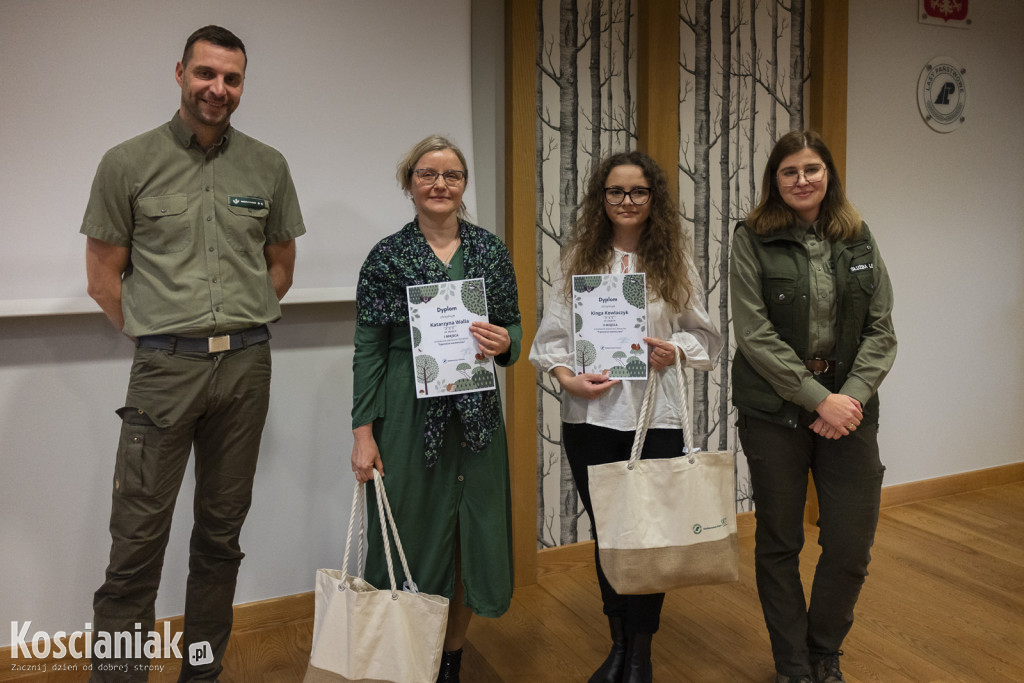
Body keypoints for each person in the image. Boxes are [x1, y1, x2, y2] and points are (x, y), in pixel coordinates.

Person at [80, 25, 305, 680]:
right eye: (206, 73)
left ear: (241, 85)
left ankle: (200, 671)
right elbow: (103, 278)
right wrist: (161, 333)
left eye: (231, 78)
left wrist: (235, 322)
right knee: (135, 549)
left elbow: (281, 265)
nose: (218, 88)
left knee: (219, 542)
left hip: (245, 368)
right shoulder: (128, 163)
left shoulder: (267, 165)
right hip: (164, 371)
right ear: (180, 72)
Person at [530, 151, 722, 683]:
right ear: (602, 199)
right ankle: (617, 645)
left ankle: (641, 653)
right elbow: (550, 341)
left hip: (655, 418)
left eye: (638, 192)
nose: (627, 201)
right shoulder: (579, 259)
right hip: (589, 419)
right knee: (609, 535)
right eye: (616, 192)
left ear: (653, 199)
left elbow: (705, 339)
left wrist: (673, 348)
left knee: (649, 537)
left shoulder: (674, 263)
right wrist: (567, 377)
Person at [350, 135, 522, 683]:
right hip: (405, 411)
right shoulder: (387, 255)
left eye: (451, 175)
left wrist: (505, 342)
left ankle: (451, 656)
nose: (440, 184)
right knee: (408, 529)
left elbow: (514, 324)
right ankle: (405, 653)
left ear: (464, 184)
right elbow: (369, 348)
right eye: (427, 174)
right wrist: (362, 431)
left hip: (476, 416)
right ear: (410, 184)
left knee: (472, 537)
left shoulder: (490, 251)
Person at [730, 130, 897, 683]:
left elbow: (881, 331)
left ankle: (824, 650)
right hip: (775, 411)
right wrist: (818, 399)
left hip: (849, 409)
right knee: (780, 541)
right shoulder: (751, 237)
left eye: (812, 169)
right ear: (774, 181)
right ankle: (795, 666)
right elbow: (754, 335)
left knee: (851, 543)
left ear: (829, 175)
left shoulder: (859, 236)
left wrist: (848, 400)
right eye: (789, 172)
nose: (802, 181)